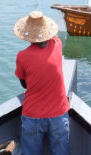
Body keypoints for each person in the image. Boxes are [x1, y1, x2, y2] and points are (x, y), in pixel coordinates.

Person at [13, 11, 70, 155]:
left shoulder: (22, 56)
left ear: (27, 35)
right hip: (58, 113)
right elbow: (54, 37)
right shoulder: (57, 44)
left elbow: (24, 84)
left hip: (33, 115)